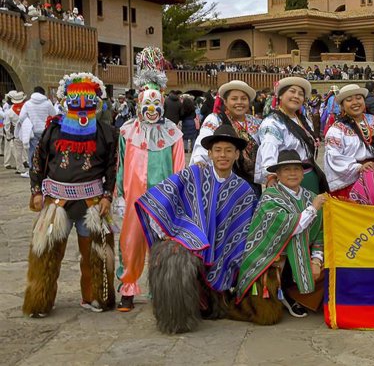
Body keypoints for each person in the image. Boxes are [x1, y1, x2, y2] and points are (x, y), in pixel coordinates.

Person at [134, 125, 257, 334]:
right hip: (190, 237)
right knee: (172, 257)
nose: (223, 155)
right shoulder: (194, 173)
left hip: (224, 249)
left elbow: (245, 228)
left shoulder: (244, 190)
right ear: (210, 153)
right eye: (218, 150)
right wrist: (169, 229)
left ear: (237, 154)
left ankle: (213, 298)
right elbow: (162, 196)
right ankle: (176, 317)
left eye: (229, 150)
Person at [23, 72, 117, 317]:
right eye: (76, 101)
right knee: (46, 254)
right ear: (66, 102)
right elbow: (38, 162)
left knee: (96, 256)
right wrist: (36, 191)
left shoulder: (106, 133)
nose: (82, 107)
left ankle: (96, 296)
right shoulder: (52, 131)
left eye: (88, 102)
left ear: (97, 104)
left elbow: (111, 167)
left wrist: (107, 196)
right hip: (56, 204)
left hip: (92, 205)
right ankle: (40, 302)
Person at [116, 47, 186, 312]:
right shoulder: (127, 132)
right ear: (138, 106)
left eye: (156, 105)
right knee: (131, 243)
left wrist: (178, 197)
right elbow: (121, 165)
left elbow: (179, 169)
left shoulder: (173, 135)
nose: (152, 110)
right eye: (146, 105)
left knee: (161, 245)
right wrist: (119, 196)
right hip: (134, 198)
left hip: (163, 199)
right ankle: (128, 290)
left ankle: (161, 289)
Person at [235, 150, 327, 322]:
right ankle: (281, 291)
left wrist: (316, 260)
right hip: (272, 258)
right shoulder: (269, 197)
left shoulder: (310, 196)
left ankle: (298, 295)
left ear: (302, 172)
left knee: (331, 264)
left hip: (303, 255)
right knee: (266, 317)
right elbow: (290, 226)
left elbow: (320, 232)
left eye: (296, 169)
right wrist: (313, 209)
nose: (292, 173)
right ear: (277, 174)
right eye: (286, 170)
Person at [255, 77, 327, 194]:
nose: (296, 96)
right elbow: (268, 150)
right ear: (280, 96)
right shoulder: (272, 122)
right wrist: (271, 177)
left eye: (300, 94)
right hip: (289, 180)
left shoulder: (303, 120)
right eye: (292, 91)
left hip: (309, 176)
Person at [191, 80, 262, 196]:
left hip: (251, 182)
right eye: (234, 99)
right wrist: (200, 160)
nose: (239, 102)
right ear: (225, 101)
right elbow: (204, 139)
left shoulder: (256, 123)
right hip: (223, 179)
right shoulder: (215, 119)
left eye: (243, 99)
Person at [324, 84, 374, 199]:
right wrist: (358, 167)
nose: (355, 102)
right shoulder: (337, 130)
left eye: (358, 98)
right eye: (349, 100)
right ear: (342, 106)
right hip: (352, 182)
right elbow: (334, 157)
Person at [18, 86, 56, 174]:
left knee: (33, 151)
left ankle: (32, 169)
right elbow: (54, 115)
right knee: (45, 150)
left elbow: (21, 117)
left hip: (33, 130)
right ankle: (45, 169)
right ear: (43, 93)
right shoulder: (47, 103)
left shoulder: (28, 103)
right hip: (45, 131)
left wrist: (28, 121)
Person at [4, 91, 26, 173]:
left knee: (18, 152)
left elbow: (7, 126)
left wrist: (9, 136)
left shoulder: (9, 112)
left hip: (17, 134)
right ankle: (32, 166)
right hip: (27, 132)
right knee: (28, 150)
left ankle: (20, 168)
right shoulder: (26, 108)